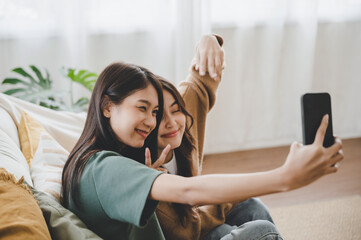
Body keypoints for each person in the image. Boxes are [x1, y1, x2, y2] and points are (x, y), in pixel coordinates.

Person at [62, 47, 343, 240]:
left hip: (192, 227)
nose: (152, 120)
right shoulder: (102, 168)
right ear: (108, 106)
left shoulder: (123, 152)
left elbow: (199, 81)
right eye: (142, 107)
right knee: (260, 231)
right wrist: (285, 177)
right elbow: (188, 192)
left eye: (155, 112)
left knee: (250, 208)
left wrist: (210, 40)